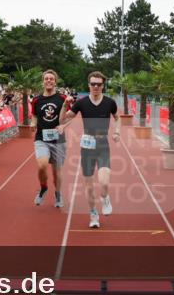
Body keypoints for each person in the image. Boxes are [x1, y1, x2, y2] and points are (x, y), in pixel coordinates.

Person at [59, 71, 120, 229]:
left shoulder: (109, 102)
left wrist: (116, 131)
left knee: (104, 182)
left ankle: (105, 197)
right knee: (89, 185)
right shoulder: (81, 103)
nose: (95, 87)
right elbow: (63, 119)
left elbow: (118, 117)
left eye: (98, 84)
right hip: (87, 147)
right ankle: (93, 213)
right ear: (89, 85)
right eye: (93, 84)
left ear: (103, 85)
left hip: (103, 145)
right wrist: (65, 105)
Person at [31, 70, 73, 209]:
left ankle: (58, 193)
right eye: (46, 78)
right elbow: (35, 115)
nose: (49, 81)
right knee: (42, 165)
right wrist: (33, 123)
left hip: (58, 140)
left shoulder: (62, 98)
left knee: (57, 173)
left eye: (51, 79)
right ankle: (43, 188)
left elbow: (70, 116)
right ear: (43, 81)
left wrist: (63, 126)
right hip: (41, 139)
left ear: (55, 82)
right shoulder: (36, 100)